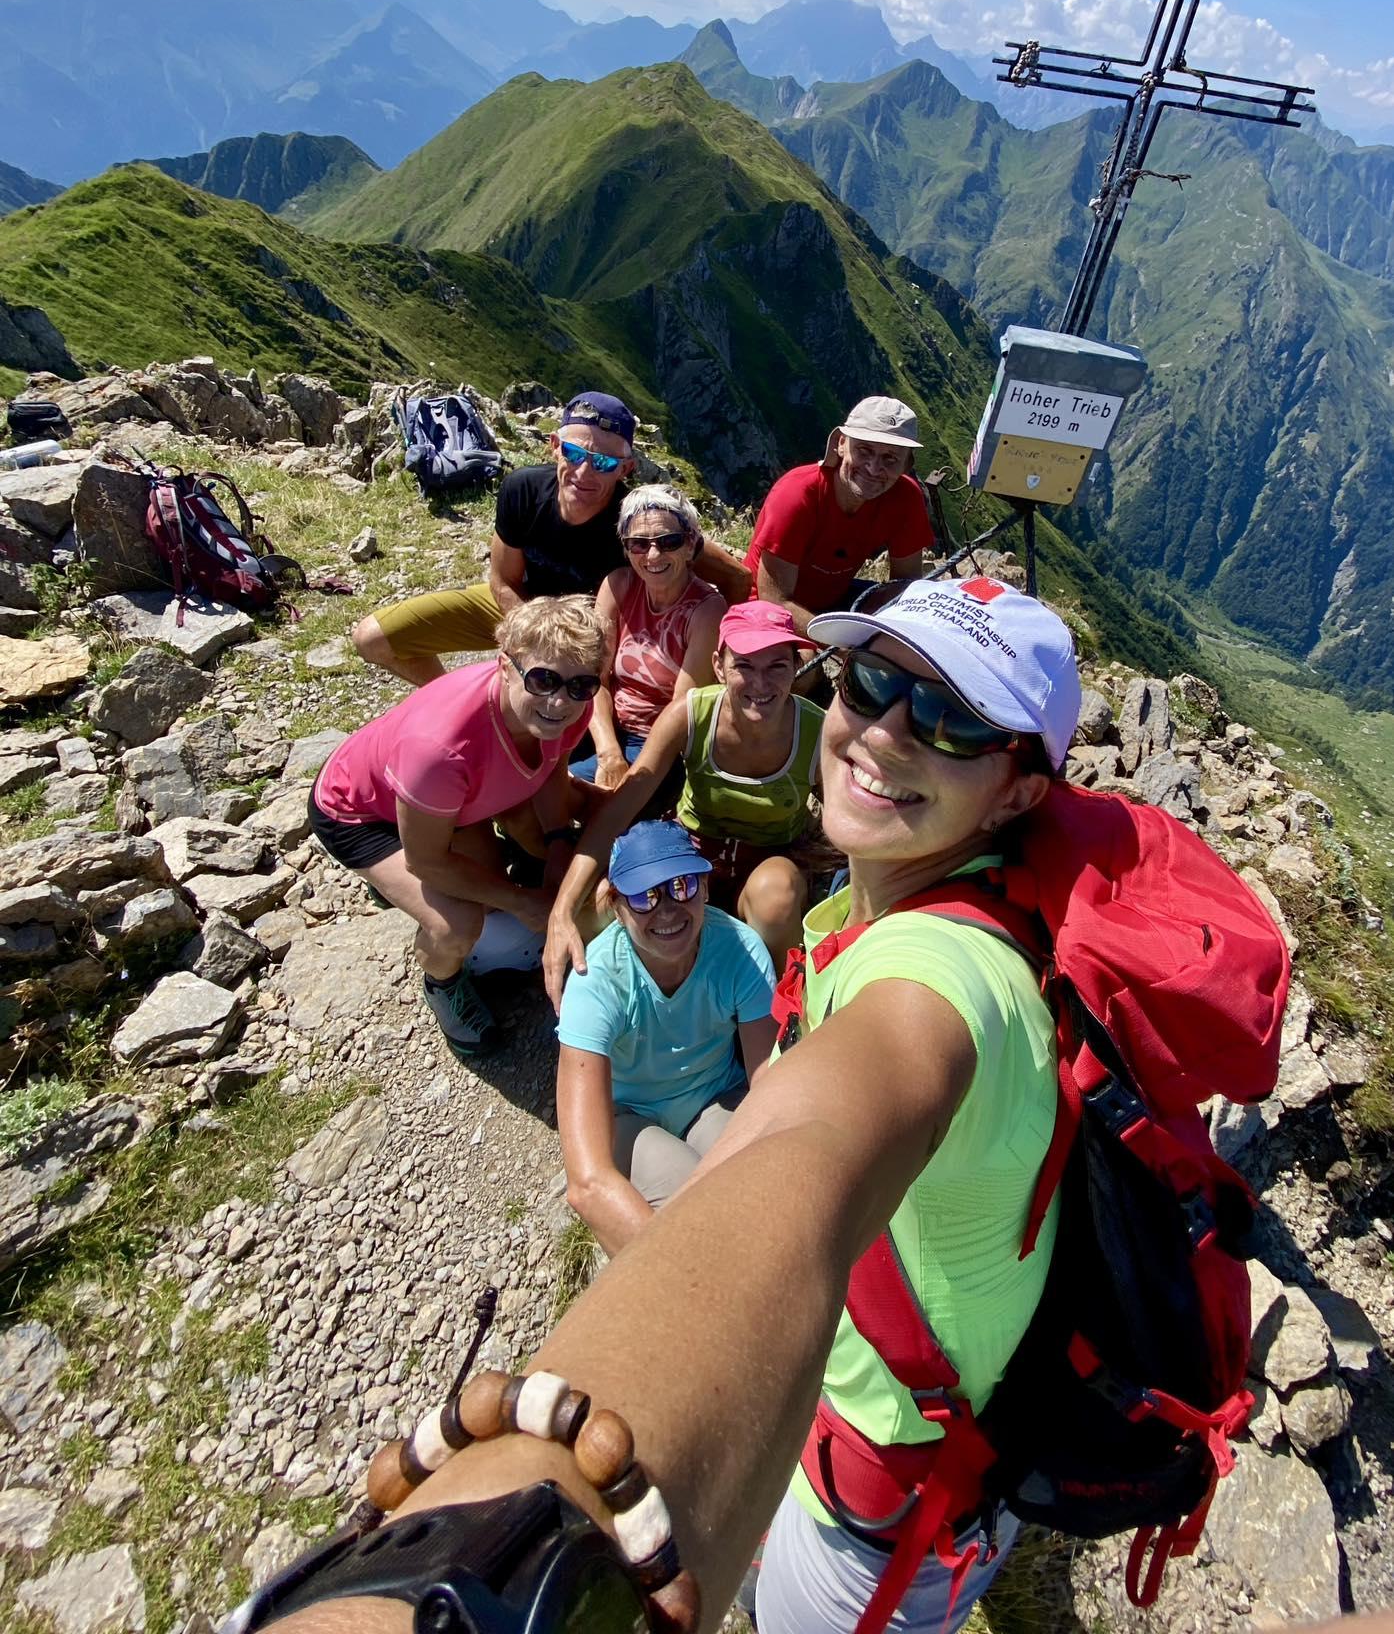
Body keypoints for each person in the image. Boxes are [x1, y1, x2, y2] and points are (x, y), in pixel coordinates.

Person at [241, 576, 1082, 1634]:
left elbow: (803, 1151)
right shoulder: (890, 916)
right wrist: (559, 903)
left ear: (1016, 793)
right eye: (872, 682)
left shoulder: (934, 987)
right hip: (874, 1427)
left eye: (953, 719)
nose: (883, 731)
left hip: (881, 1491)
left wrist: (468, 1572)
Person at [310, 594, 607, 1060]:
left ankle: (401, 880)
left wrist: (556, 842)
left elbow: (551, 771)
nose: (558, 701)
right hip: (361, 812)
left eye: (580, 685)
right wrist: (523, 901)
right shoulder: (441, 749)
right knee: (458, 924)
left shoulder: (568, 705)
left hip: (450, 804)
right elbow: (427, 861)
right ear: (505, 665)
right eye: (543, 679)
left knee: (491, 889)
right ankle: (442, 983)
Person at [544, 598, 825, 991]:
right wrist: (563, 907)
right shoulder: (690, 714)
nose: (760, 684)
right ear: (718, 666)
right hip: (691, 852)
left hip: (768, 859)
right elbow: (619, 809)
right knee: (601, 906)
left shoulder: (817, 732)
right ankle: (630, 994)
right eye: (744, 666)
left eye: (777, 666)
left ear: (797, 667)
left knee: (776, 896)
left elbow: (850, 825)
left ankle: (783, 1002)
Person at [555, 821, 776, 1257]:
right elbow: (587, 1181)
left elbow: (770, 1088)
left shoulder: (741, 951)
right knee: (696, 1222)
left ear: (705, 888)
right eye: (644, 897)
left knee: (753, 1191)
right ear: (617, 908)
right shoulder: (596, 980)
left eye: (681, 886)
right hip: (630, 1117)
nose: (669, 910)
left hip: (715, 1097)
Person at [352, 390, 639, 686]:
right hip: (522, 602)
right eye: (574, 453)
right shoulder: (523, 490)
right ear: (555, 447)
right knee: (372, 639)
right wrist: (534, 636)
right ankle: (457, 701)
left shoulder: (635, 524)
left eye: (604, 463)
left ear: (625, 468)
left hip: (591, 629)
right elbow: (503, 582)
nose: (584, 471)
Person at [572, 483, 724, 788]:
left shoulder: (707, 610)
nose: (653, 555)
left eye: (669, 541)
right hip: (602, 725)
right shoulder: (618, 587)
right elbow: (594, 678)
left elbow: (682, 712)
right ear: (626, 549)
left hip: (656, 742)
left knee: (573, 791)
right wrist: (608, 752)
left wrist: (627, 766)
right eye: (639, 544)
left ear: (690, 544)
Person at [744, 394, 935, 634]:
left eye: (890, 458)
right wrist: (844, 644)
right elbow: (775, 600)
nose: (874, 468)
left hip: (833, 601)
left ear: (906, 465)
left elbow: (905, 586)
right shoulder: (797, 494)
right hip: (763, 611)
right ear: (841, 444)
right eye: (864, 450)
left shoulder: (906, 498)